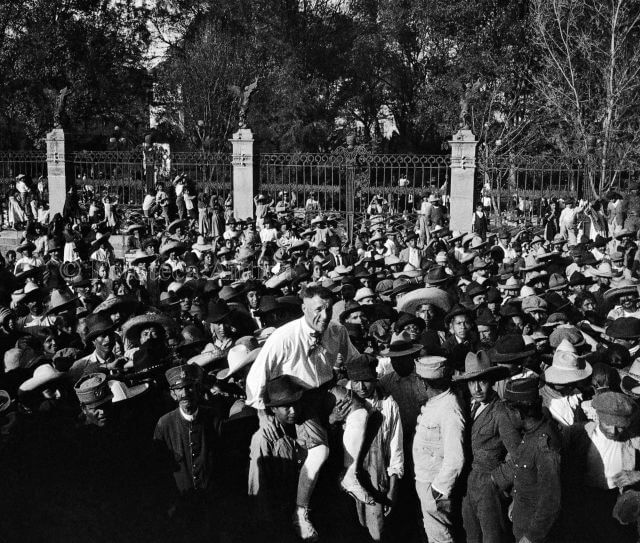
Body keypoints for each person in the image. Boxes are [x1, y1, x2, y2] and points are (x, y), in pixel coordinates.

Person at [245, 284, 370, 541]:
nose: (324, 317)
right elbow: (258, 373)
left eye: (328, 310)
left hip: (326, 388)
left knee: (361, 413)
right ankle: (300, 512)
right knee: (320, 450)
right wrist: (261, 412)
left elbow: (355, 361)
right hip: (299, 397)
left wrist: (362, 379)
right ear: (304, 309)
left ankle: (349, 474)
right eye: (317, 310)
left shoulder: (337, 330)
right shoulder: (284, 336)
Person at [453, 352, 519, 543]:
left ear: (491, 382)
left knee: (492, 537)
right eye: (472, 382)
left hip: (490, 485)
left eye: (482, 381)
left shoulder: (501, 411)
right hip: (468, 483)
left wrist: (496, 479)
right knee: (471, 536)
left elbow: (518, 455)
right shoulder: (468, 406)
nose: (477, 388)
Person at [153, 364, 223, 543]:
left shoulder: (213, 417)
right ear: (173, 394)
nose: (184, 394)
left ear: (197, 389)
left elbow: (224, 458)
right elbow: (159, 469)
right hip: (181, 505)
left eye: (189, 387)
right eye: (178, 389)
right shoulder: (164, 424)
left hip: (212, 502)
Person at [344, 353, 404, 542]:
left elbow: (396, 449)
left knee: (377, 531)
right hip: (349, 475)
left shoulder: (388, 405)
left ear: (375, 378)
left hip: (376, 477)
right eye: (356, 382)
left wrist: (393, 488)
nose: (361, 387)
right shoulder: (342, 401)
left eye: (366, 381)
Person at [500, 377, 562, 543]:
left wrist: (531, 537)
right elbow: (527, 478)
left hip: (535, 534)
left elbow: (551, 500)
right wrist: (516, 500)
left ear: (519, 413)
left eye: (509, 412)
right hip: (523, 521)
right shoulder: (531, 432)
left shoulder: (544, 443)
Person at [413, 354, 465, 543]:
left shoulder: (449, 408)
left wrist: (437, 490)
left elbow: (455, 458)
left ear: (423, 383)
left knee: (442, 539)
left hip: (435, 485)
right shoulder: (436, 403)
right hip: (426, 481)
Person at [248, 375, 306, 540]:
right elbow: (259, 488)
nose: (293, 411)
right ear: (273, 409)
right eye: (286, 407)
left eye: (295, 404)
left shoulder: (304, 426)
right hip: (281, 516)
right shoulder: (264, 438)